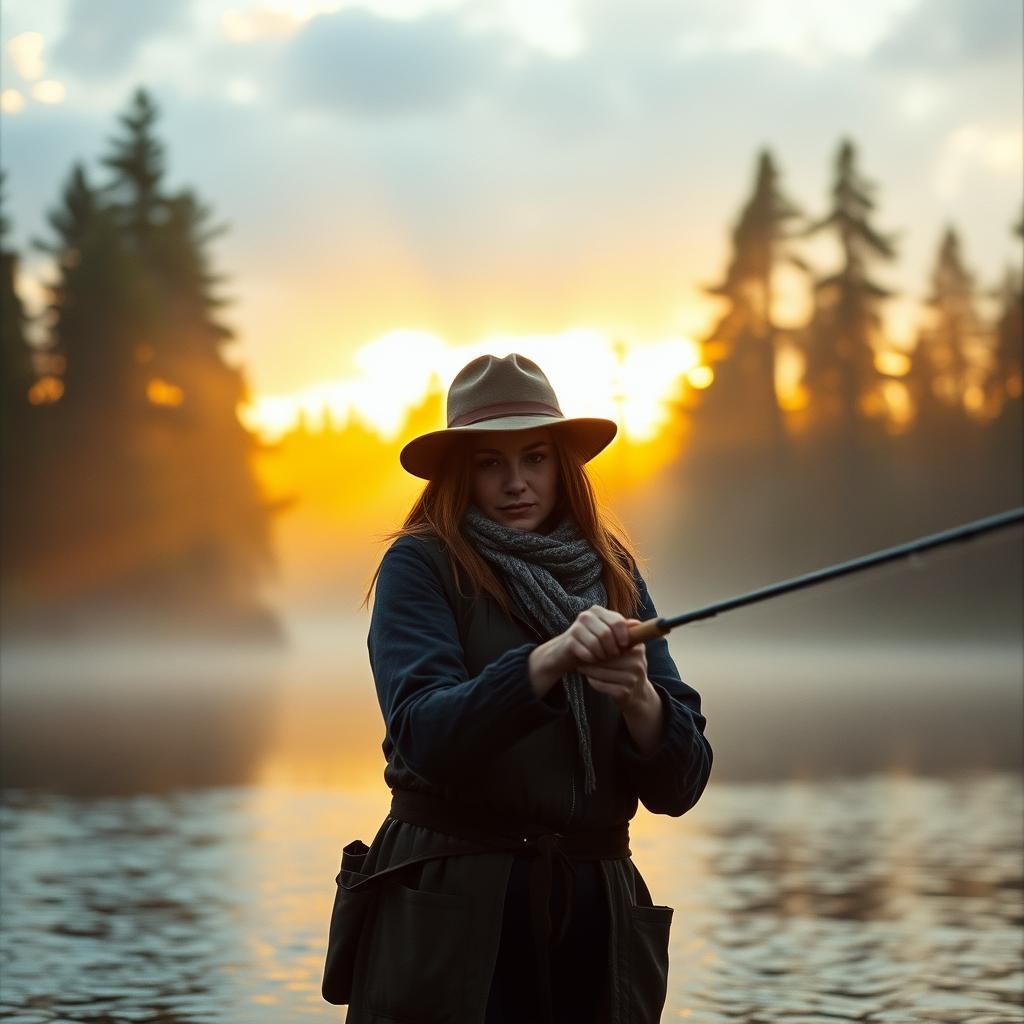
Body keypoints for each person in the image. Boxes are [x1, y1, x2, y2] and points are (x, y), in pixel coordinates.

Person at [329, 352, 713, 1024]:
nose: (516, 482)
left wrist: (640, 700)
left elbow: (680, 786)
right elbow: (426, 734)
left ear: (561, 465)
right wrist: (547, 662)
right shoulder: (420, 565)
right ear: (460, 471)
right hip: (452, 914)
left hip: (594, 923)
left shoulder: (613, 570)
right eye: (490, 463)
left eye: (534, 458)